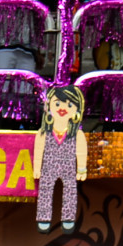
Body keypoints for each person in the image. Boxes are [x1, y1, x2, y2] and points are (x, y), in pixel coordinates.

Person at [33, 86, 89, 234]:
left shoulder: (77, 134)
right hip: (48, 167)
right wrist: (37, 168)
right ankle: (44, 218)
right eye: (57, 103)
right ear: (48, 107)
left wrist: (81, 169)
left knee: (70, 191)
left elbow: (81, 152)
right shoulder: (43, 132)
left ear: (77, 110)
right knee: (45, 190)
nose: (62, 108)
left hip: (68, 167)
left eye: (69, 105)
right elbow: (38, 150)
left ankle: (68, 219)